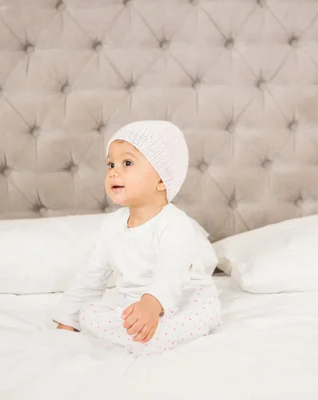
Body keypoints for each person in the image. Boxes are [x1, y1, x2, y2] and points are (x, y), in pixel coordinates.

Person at [52, 120, 221, 357]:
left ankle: (151, 336)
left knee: (203, 312)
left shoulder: (173, 222)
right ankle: (139, 335)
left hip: (185, 295)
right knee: (88, 312)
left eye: (127, 163)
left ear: (161, 180)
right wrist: (67, 321)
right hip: (134, 300)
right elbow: (91, 276)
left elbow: (173, 269)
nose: (113, 171)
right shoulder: (111, 226)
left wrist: (152, 303)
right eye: (110, 163)